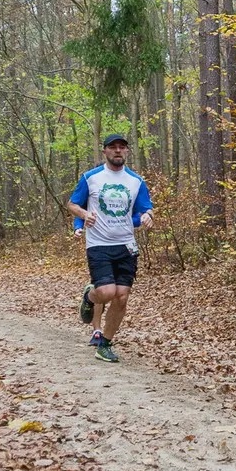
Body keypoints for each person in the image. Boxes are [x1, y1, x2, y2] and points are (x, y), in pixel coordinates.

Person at [69, 134, 154, 363]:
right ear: (105, 151)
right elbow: (72, 203)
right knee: (106, 293)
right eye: (113, 147)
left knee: (122, 298)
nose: (118, 151)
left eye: (122, 148)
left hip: (126, 245)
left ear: (127, 152)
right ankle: (90, 295)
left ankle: (105, 344)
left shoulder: (136, 181)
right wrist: (84, 215)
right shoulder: (91, 178)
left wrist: (147, 216)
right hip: (99, 244)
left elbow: (146, 207)